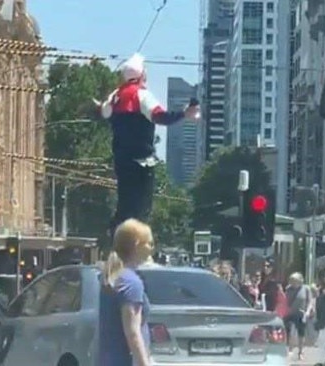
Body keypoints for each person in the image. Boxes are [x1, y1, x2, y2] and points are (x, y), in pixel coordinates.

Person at [96, 53, 201, 235]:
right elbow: (160, 117)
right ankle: (133, 240)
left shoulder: (116, 96)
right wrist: (185, 113)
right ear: (142, 74)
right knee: (142, 206)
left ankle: (116, 234)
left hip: (121, 159)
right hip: (141, 160)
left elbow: (104, 112)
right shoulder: (142, 95)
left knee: (125, 202)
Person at [98, 219, 154, 366]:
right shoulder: (131, 283)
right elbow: (133, 332)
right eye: (148, 243)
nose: (151, 248)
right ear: (136, 245)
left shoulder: (114, 277)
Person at [284, 272, 313, 361]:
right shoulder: (288, 289)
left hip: (301, 314)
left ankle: (301, 352)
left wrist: (307, 312)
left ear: (300, 281)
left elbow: (310, 301)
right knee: (291, 332)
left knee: (301, 334)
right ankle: (290, 350)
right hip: (290, 314)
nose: (292, 283)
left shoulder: (306, 289)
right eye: (291, 281)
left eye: (294, 281)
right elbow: (285, 300)